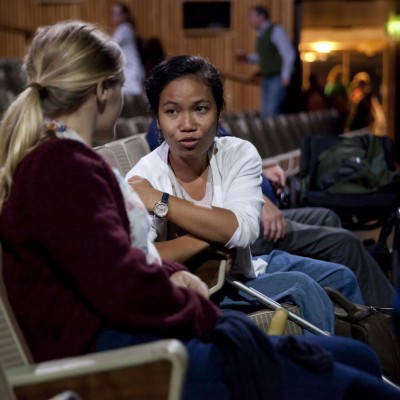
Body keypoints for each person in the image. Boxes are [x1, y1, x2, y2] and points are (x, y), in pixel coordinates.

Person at [2, 20, 399, 400]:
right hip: (126, 362)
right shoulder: (61, 168)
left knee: (358, 356)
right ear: (104, 90)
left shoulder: (66, 162)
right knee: (353, 373)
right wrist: (201, 311)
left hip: (135, 339)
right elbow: (122, 286)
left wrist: (175, 274)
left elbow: (119, 264)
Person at [125, 54, 367, 337]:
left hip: (246, 267)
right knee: (302, 287)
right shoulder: (145, 176)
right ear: (156, 117)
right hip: (201, 284)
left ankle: (373, 357)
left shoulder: (238, 153)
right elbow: (144, 256)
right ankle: (325, 373)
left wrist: (160, 201)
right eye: (172, 112)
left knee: (342, 277)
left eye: (201, 109)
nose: (187, 124)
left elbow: (242, 231)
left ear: (219, 111)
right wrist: (211, 238)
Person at [251, 165, 395, 308]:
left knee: (327, 217)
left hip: (254, 205)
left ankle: (339, 306)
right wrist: (256, 195)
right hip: (244, 222)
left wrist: (260, 174)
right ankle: (386, 318)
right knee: (344, 243)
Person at [236, 5, 295, 118]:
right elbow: (264, 56)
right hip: (267, 77)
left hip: (276, 77)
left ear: (261, 16)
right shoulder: (261, 34)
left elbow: (288, 54)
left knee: (271, 111)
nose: (249, 20)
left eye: (252, 16)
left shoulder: (276, 30)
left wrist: (285, 75)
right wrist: (247, 58)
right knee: (267, 112)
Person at [111, 1, 145, 95]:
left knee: (135, 101)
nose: (116, 16)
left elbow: (111, 45)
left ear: (125, 15)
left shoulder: (125, 28)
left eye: (119, 13)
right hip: (126, 70)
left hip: (131, 71)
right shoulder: (122, 29)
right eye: (114, 14)